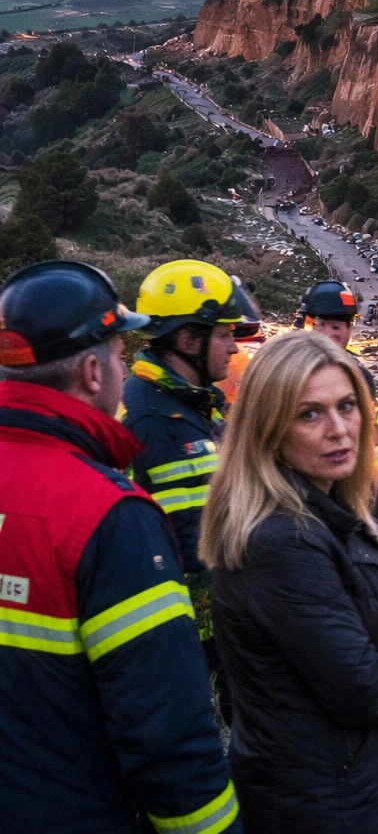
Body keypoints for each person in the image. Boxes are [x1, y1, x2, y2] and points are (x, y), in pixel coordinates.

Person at [0, 260, 240, 834]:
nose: (125, 366)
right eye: (116, 352)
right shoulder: (110, 517)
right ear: (91, 372)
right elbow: (167, 737)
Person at [200, 330, 378, 834]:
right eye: (310, 414)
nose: (339, 430)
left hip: (359, 791)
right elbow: (366, 693)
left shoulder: (327, 511)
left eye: (347, 406)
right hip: (327, 807)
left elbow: (333, 622)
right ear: (269, 430)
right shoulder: (282, 542)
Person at [122, 260, 260, 575]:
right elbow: (187, 550)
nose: (234, 348)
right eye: (224, 335)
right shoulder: (150, 420)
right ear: (188, 342)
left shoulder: (195, 402)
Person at [298, 279, 378, 580]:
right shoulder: (291, 375)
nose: (340, 333)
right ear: (309, 324)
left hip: (365, 483)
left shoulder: (359, 376)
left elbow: (370, 437)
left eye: (345, 325)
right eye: (331, 325)